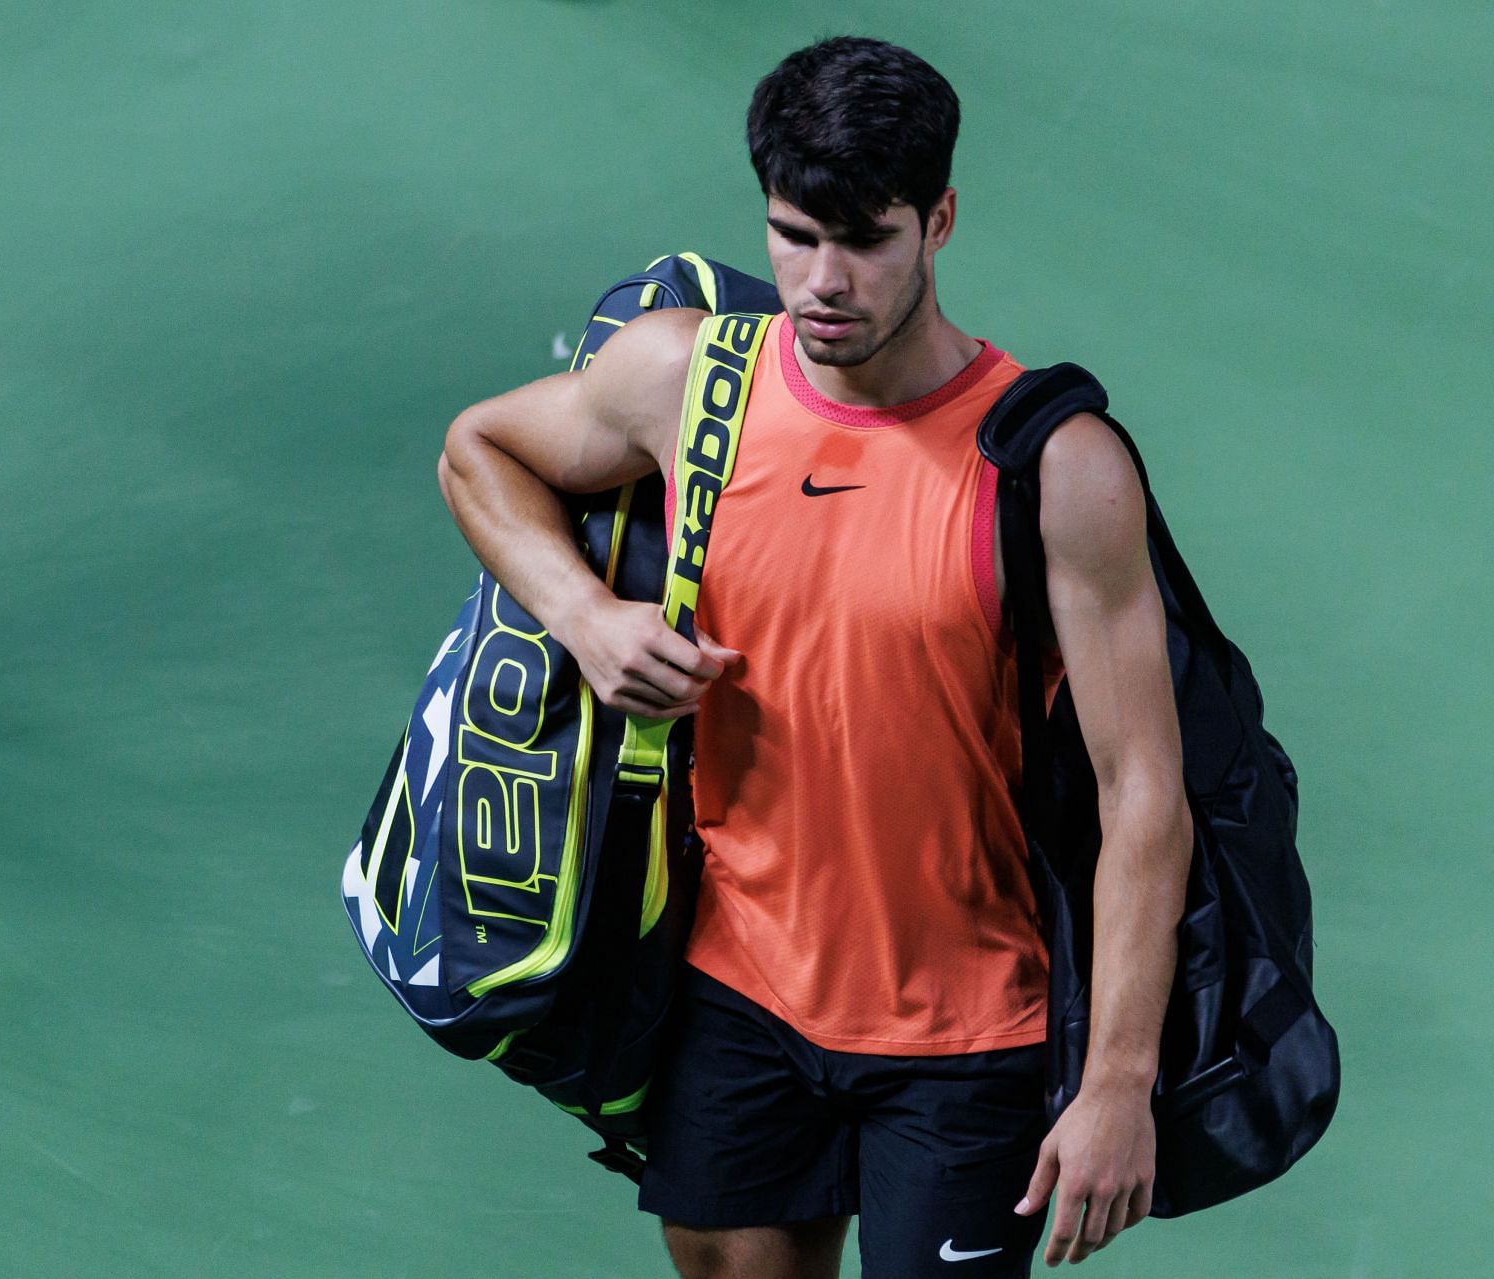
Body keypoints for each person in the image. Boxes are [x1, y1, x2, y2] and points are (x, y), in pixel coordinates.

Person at [438, 36, 1193, 1278]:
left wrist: (1118, 1078)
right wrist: (584, 614)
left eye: (866, 240)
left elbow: (1143, 794)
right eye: (794, 235)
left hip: (967, 1035)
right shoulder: (693, 381)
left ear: (939, 220)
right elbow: (480, 452)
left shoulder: (1054, 469)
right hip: (739, 994)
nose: (823, 279)